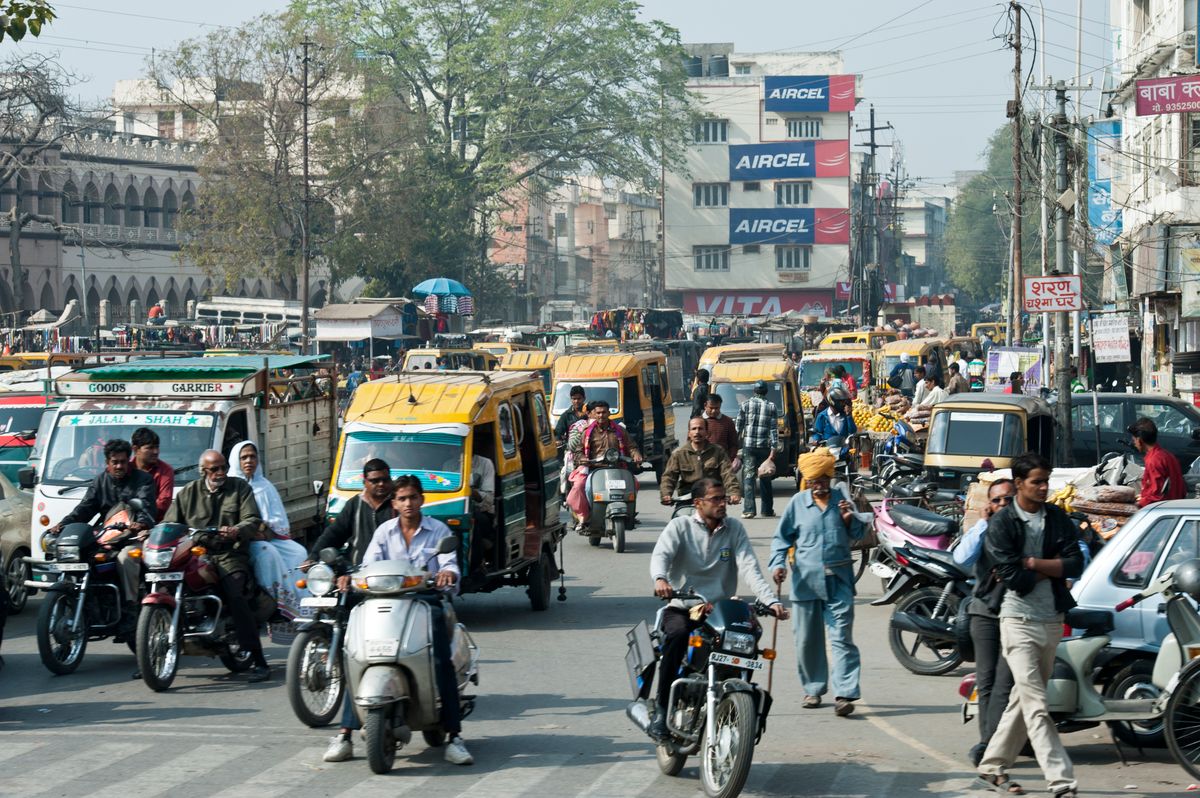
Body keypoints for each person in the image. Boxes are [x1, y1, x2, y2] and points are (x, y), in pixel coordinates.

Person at [642, 477, 787, 738]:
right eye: (716, 499)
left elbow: (749, 568)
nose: (723, 504)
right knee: (676, 635)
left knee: (747, 638)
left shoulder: (734, 529)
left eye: (724, 498)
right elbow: (661, 555)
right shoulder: (680, 526)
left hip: (719, 610)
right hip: (683, 605)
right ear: (698, 503)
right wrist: (661, 579)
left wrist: (771, 601)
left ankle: (737, 705)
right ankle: (662, 710)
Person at [977, 452, 1083, 797]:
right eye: (1036, 481)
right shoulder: (1003, 523)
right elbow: (1012, 577)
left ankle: (992, 766)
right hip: (1017, 621)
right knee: (1037, 704)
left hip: (1052, 620)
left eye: (1045, 481)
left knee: (1023, 701)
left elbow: (1074, 563)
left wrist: (1034, 562)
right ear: (1020, 483)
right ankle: (1061, 780)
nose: (1043, 487)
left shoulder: (1055, 517)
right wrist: (1048, 568)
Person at [360, 476, 473, 765]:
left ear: (422, 500)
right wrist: (352, 578)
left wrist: (447, 575)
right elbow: (368, 566)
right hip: (388, 605)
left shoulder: (438, 531)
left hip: (427, 603)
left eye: (413, 497)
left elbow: (450, 567)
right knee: (356, 654)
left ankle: (454, 736)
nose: (408, 504)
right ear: (394, 503)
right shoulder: (384, 532)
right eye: (402, 499)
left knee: (439, 661)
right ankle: (346, 731)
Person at [770, 451, 866, 717]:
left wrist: (850, 519)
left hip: (839, 579)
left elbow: (860, 534)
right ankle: (813, 689)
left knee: (842, 637)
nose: (821, 484)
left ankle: (844, 693)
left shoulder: (842, 500)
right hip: (806, 582)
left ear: (830, 477)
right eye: (815, 479)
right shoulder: (797, 504)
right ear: (808, 480)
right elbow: (781, 539)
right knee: (806, 640)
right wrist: (777, 564)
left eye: (825, 478)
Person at [164, 449, 270, 682]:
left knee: (236, 595)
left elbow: (253, 520)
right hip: (195, 554)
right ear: (204, 471)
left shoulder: (240, 488)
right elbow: (170, 523)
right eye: (215, 469)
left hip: (229, 555)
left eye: (223, 467)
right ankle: (154, 656)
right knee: (161, 585)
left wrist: (237, 530)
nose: (220, 472)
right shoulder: (188, 493)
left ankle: (259, 660)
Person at [313, 460, 394, 760]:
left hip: (396, 588)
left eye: (385, 479)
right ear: (365, 481)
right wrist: (316, 559)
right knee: (353, 651)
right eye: (375, 480)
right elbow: (332, 537)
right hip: (361, 583)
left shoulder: (398, 511)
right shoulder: (354, 506)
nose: (381, 485)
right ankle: (345, 732)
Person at [54, 438, 156, 639]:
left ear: (129, 461)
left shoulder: (143, 480)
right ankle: (87, 603)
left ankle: (130, 608)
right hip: (106, 536)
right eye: (114, 462)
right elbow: (85, 508)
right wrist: (63, 524)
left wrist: (140, 523)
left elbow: (146, 507)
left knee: (126, 558)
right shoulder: (100, 481)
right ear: (107, 463)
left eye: (123, 462)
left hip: (133, 537)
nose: (119, 466)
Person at [953, 478, 1017, 766]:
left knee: (1007, 682)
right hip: (984, 612)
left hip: (1016, 614)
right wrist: (982, 525)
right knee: (987, 680)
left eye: (1008, 499)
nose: (1002, 504)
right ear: (989, 504)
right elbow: (962, 558)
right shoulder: (984, 529)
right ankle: (987, 742)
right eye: (997, 500)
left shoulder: (1025, 527)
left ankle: (994, 742)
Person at [229, 441, 307, 621]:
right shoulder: (232, 485)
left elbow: (278, 519)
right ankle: (278, 603)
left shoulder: (264, 486)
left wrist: (266, 532)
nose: (249, 461)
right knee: (268, 553)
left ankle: (303, 601)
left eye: (252, 457)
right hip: (244, 541)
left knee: (299, 552)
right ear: (236, 461)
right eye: (244, 457)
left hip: (267, 536)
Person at [565, 400, 642, 528]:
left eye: (604, 412)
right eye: (598, 413)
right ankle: (585, 516)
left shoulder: (620, 430)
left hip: (617, 468)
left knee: (634, 483)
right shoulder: (587, 432)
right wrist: (583, 458)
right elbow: (578, 450)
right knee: (579, 487)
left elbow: (632, 446)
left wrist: (636, 454)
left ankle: (629, 513)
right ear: (594, 414)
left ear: (609, 413)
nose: (601, 415)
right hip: (594, 470)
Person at [659, 417, 740, 505]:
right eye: (694, 429)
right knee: (679, 518)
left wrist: (734, 493)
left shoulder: (718, 451)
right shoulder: (679, 453)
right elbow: (669, 477)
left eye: (700, 429)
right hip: (687, 500)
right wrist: (666, 494)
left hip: (712, 500)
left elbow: (728, 474)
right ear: (689, 433)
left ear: (707, 433)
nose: (697, 432)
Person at [735, 380, 780, 520]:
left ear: (754, 391)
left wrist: (735, 447)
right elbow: (774, 431)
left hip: (748, 447)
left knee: (748, 477)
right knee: (765, 478)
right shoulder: (771, 406)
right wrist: (773, 452)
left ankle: (749, 510)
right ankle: (767, 510)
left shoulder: (745, 405)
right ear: (766, 391)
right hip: (764, 448)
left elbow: (738, 427)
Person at [1131, 417, 1185, 507]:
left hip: (1163, 510)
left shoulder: (1154, 460)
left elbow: (1155, 496)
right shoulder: (1167, 455)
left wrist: (1136, 504)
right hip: (1176, 505)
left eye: (1134, 440)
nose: (1134, 443)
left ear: (1139, 440)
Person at [131, 427, 174, 522]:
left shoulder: (165, 471)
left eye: (157, 447)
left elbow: (164, 503)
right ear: (135, 449)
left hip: (154, 525)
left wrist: (142, 519)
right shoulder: (126, 469)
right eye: (150, 448)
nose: (156, 452)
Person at [702, 394, 740, 465]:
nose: (714, 411)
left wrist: (730, 459)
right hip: (703, 462)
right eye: (711, 408)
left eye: (717, 408)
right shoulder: (698, 422)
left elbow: (734, 444)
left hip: (722, 462)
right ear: (705, 406)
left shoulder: (728, 422)